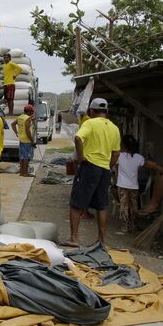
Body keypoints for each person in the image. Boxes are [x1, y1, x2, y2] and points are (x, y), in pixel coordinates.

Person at [63, 98, 120, 247]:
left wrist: (81, 158)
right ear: (106, 112)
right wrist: (108, 165)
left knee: (76, 203)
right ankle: (101, 240)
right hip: (105, 170)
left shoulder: (90, 123)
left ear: (91, 111)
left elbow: (78, 138)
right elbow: (116, 153)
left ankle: (74, 238)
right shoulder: (114, 128)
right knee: (101, 206)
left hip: (90, 167)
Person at [114, 135, 145, 232]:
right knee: (134, 206)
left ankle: (125, 226)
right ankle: (134, 225)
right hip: (134, 186)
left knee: (124, 206)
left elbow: (113, 162)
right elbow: (145, 164)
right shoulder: (139, 157)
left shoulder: (119, 156)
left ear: (123, 145)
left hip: (122, 185)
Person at [11, 104, 35, 177]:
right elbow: (28, 131)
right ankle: (26, 173)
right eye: (32, 111)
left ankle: (21, 172)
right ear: (29, 111)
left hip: (21, 139)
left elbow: (13, 124)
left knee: (21, 156)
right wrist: (32, 141)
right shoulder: (27, 119)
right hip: (27, 140)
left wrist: (16, 133)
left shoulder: (20, 117)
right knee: (26, 157)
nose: (33, 112)